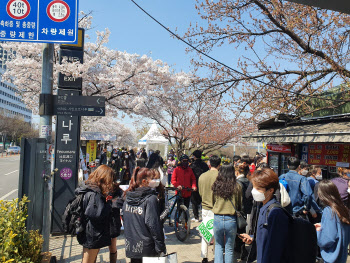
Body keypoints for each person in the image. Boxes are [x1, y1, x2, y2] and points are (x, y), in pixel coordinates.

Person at [241, 168, 290, 263]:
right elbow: (264, 236)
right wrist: (252, 239)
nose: (254, 191)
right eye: (254, 188)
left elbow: (275, 247)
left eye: (258, 189)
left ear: (271, 190)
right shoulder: (262, 207)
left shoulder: (275, 212)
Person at [122, 167, 166, 263]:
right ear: (145, 181)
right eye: (153, 179)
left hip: (131, 246)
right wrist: (161, 247)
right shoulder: (151, 199)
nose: (156, 181)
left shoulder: (127, 197)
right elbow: (153, 225)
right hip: (148, 248)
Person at [75, 165, 118, 263]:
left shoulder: (88, 188)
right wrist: (108, 204)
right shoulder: (95, 194)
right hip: (92, 235)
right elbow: (95, 214)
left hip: (88, 232)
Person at [211, 165, 242, 263]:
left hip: (217, 218)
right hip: (231, 219)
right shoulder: (237, 186)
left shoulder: (216, 185)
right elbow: (239, 203)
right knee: (229, 248)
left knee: (218, 246)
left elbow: (213, 202)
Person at [315, 180, 350, 263]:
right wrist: (323, 226)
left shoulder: (329, 211)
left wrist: (317, 231)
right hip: (342, 256)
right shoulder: (343, 209)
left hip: (332, 257)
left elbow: (327, 239)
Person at [198, 155, 221, 263]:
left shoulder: (202, 176)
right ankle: (216, 256)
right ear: (219, 165)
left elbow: (200, 193)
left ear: (209, 164)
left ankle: (204, 256)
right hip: (217, 208)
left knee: (205, 233)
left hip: (205, 207)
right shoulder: (220, 176)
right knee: (217, 234)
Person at [190, 150, 209, 222]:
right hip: (204, 185)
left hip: (194, 185)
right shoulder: (204, 165)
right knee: (203, 201)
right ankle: (205, 217)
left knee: (194, 202)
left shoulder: (192, 165)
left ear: (194, 156)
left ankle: (196, 217)